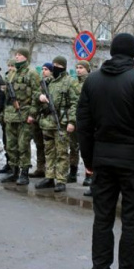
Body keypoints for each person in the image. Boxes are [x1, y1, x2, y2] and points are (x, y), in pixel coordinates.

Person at [77, 33, 134, 269]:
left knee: (102, 219)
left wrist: (89, 160)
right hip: (133, 164)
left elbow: (84, 125)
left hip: (102, 160)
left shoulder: (92, 80)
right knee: (131, 221)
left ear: (112, 51)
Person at [35, 56, 78, 192]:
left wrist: (72, 121)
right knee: (49, 152)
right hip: (47, 123)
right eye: (53, 64)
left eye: (57, 65)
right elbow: (36, 94)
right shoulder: (48, 81)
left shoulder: (70, 82)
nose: (55, 67)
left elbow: (75, 103)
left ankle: (60, 180)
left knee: (62, 153)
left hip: (62, 123)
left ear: (63, 67)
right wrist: (39, 97)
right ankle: (49, 177)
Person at [1, 48, 40, 186]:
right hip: (11, 115)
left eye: (20, 55)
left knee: (23, 145)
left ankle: (24, 173)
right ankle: (14, 171)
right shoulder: (11, 74)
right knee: (11, 146)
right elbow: (5, 97)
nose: (17, 57)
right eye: (16, 55)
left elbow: (36, 95)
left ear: (26, 57)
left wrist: (32, 114)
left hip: (24, 114)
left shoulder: (32, 73)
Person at [29, 62, 53, 179]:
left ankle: (50, 170)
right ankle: (40, 168)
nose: (44, 71)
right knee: (39, 145)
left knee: (49, 146)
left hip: (48, 119)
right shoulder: (40, 83)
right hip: (38, 118)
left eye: (46, 69)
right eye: (43, 69)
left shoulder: (53, 83)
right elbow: (34, 98)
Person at [69, 60, 91, 184]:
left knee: (87, 148)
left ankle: (89, 175)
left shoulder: (91, 82)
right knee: (73, 147)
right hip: (74, 118)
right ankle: (73, 172)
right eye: (77, 67)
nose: (78, 70)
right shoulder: (73, 82)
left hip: (86, 120)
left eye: (81, 67)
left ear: (87, 69)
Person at [0, 59, 16, 175]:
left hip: (15, 115)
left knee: (15, 143)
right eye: (8, 66)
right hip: (5, 115)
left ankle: (15, 166)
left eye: (12, 66)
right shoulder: (5, 79)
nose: (10, 68)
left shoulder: (17, 79)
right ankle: (9, 163)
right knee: (6, 141)